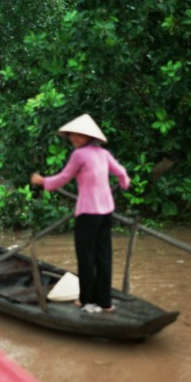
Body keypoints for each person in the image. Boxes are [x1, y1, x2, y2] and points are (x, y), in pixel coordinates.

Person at [30, 113, 130, 314]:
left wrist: (42, 182)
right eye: (72, 135)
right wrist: (124, 184)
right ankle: (105, 302)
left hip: (88, 212)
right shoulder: (103, 154)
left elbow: (64, 178)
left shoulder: (79, 155)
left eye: (79, 135)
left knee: (86, 257)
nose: (74, 139)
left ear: (88, 137)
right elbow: (121, 172)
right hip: (106, 211)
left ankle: (86, 300)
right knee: (103, 256)